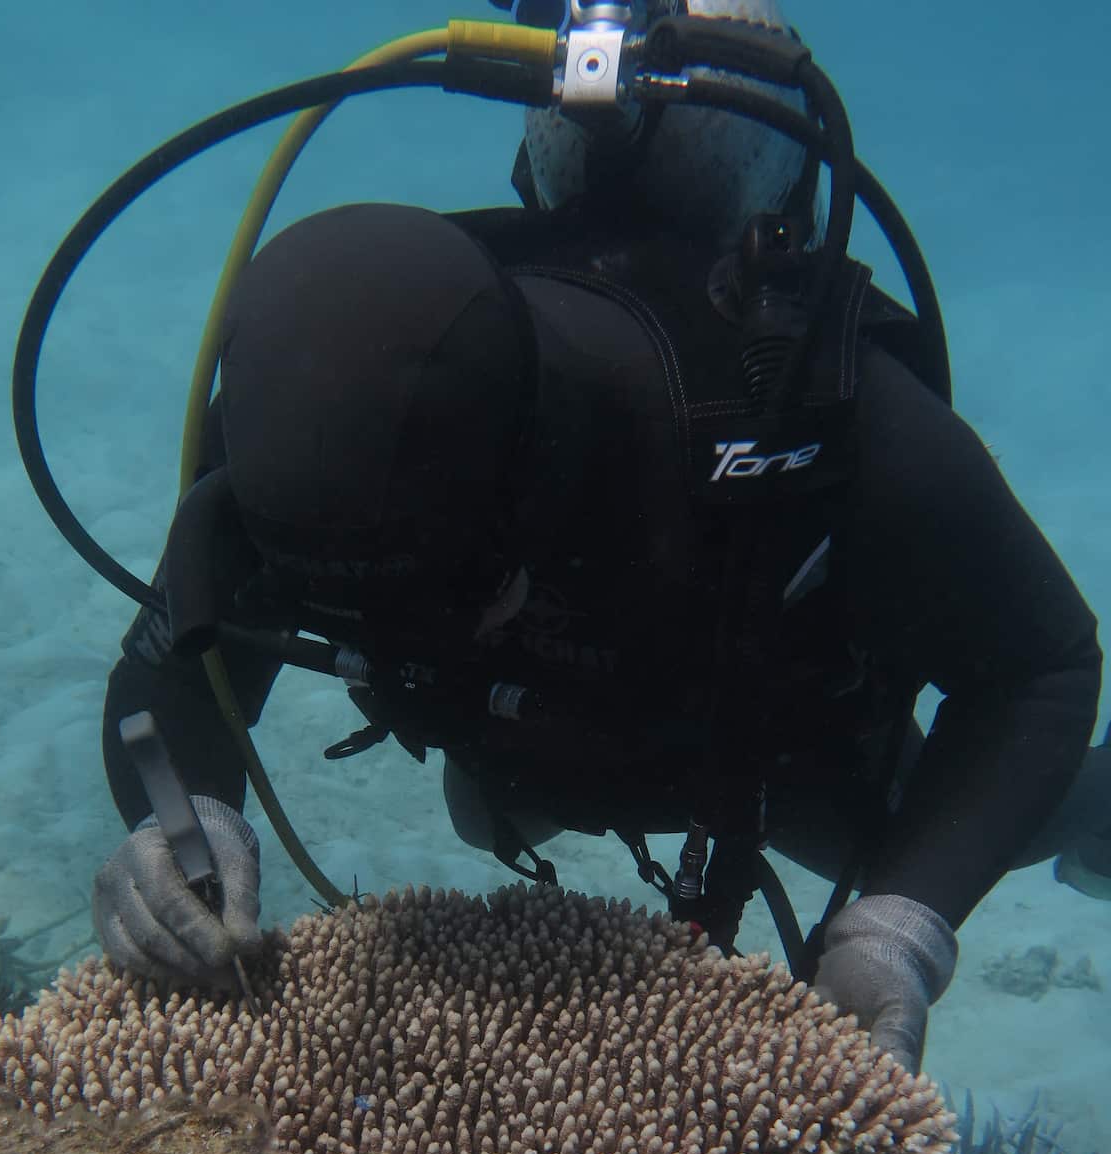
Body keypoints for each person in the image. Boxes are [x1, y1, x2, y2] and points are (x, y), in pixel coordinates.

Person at [92, 0, 1107, 1075]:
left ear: (527, 478)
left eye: (445, 581)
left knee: (962, 820)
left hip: (774, 750)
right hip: (524, 737)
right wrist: (177, 823)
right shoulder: (323, 395)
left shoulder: (824, 420)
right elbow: (177, 666)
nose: (395, 618)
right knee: (491, 812)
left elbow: (1039, 665)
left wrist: (899, 927)